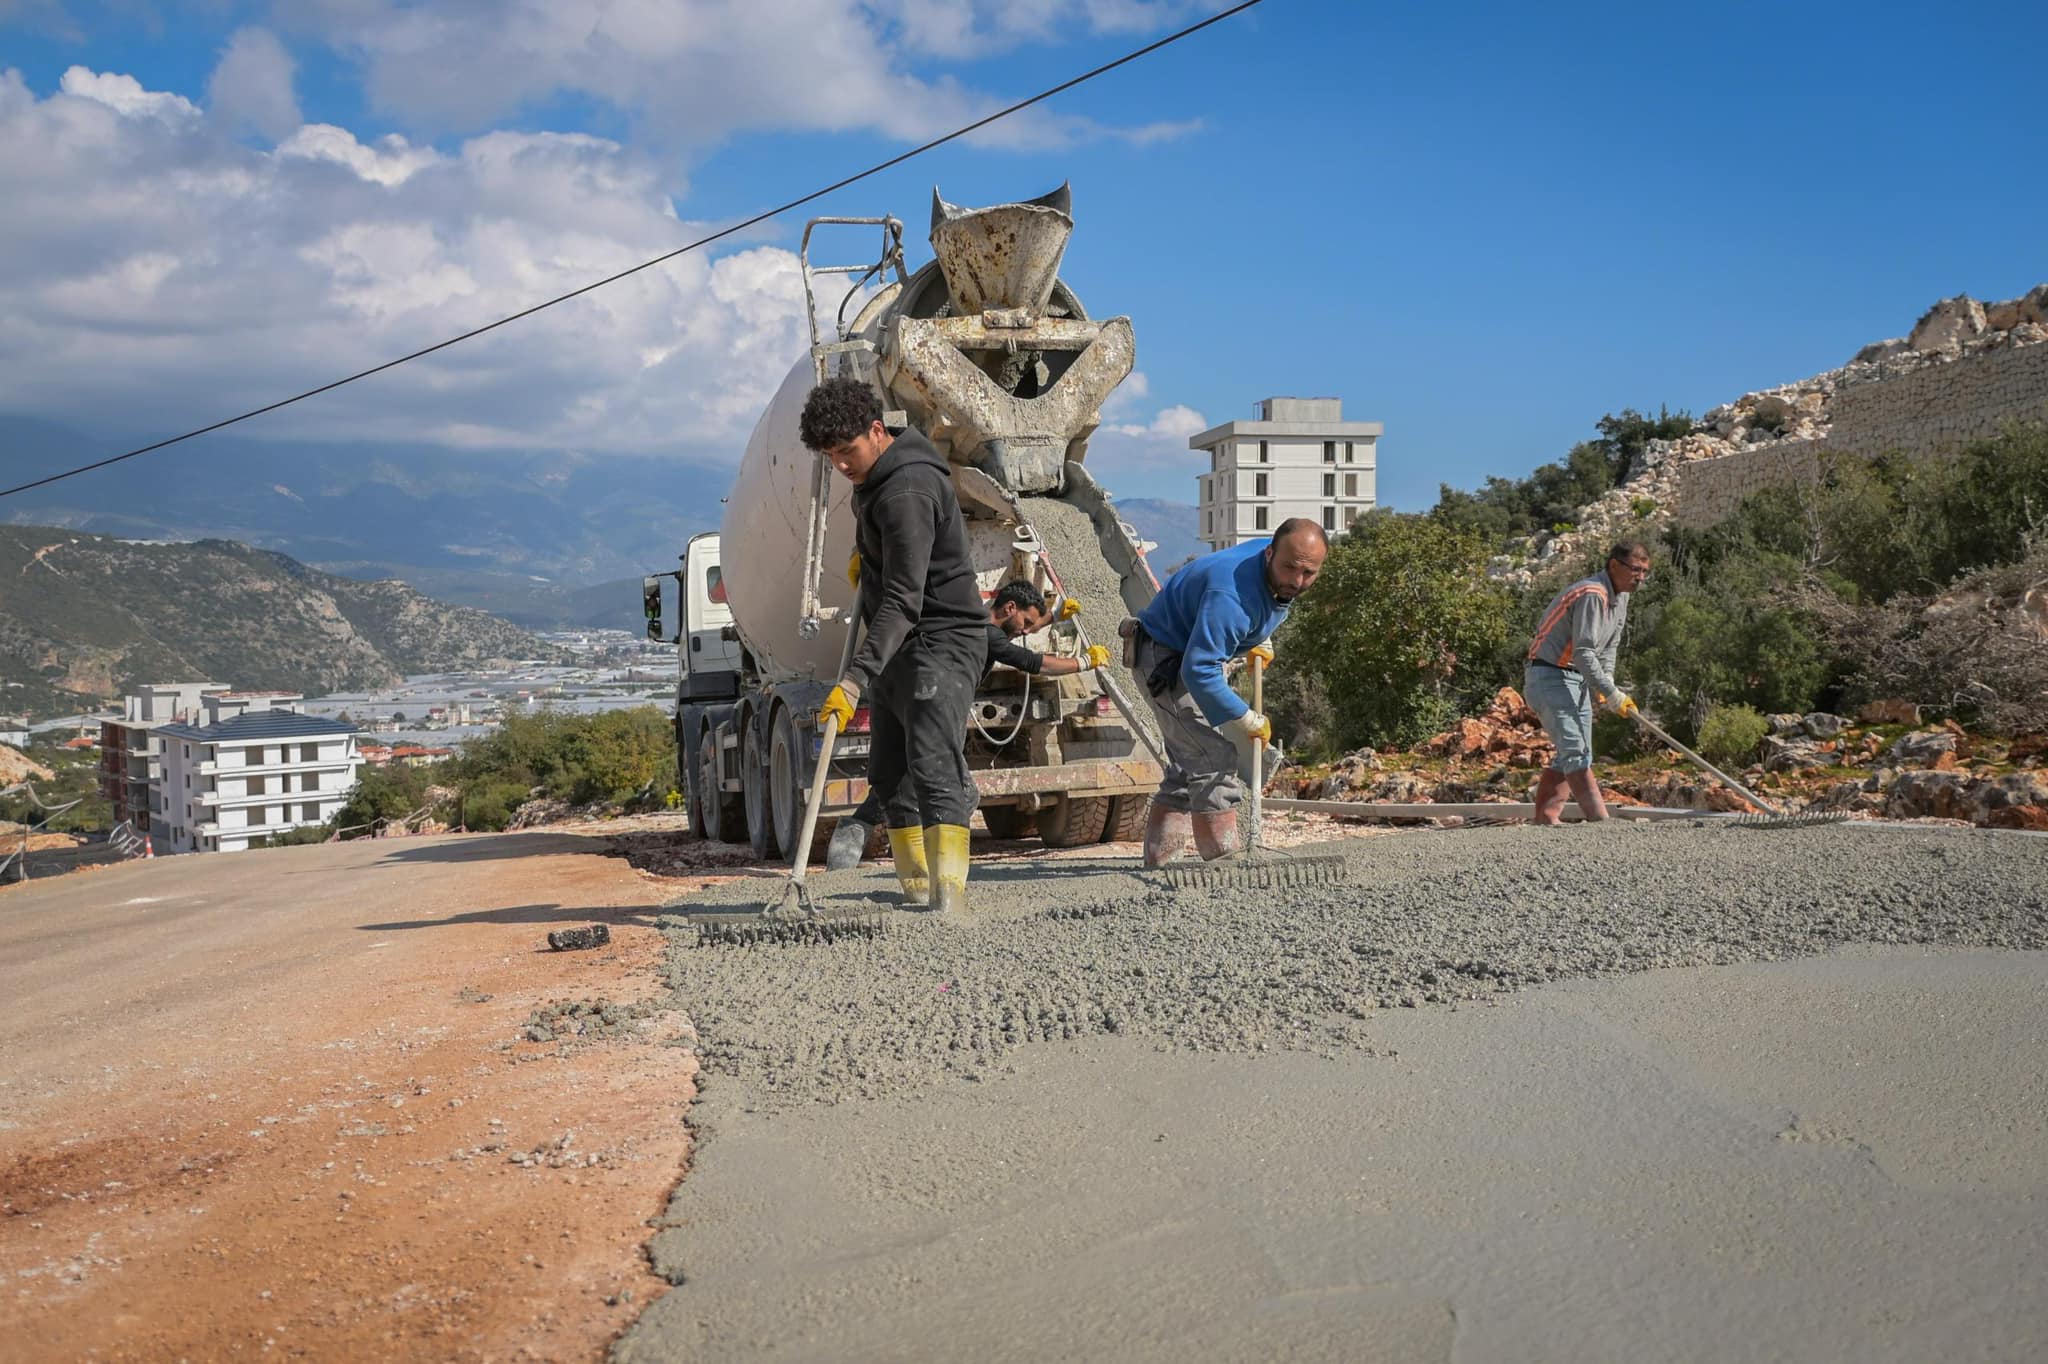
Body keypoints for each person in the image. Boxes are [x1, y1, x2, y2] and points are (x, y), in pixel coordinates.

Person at [802, 376, 987, 915]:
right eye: (830, 455)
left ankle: (947, 899)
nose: (840, 464)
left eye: (847, 451)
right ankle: (915, 890)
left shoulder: (906, 490)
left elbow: (906, 598)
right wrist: (873, 561)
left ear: (877, 431)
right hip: (903, 643)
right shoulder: (878, 480)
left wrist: (855, 679)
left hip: (940, 639)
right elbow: (896, 584)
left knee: (933, 767)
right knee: (887, 774)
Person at [826, 579, 1112, 869]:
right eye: (1026, 622)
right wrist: (1084, 663)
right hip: (933, 714)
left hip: (912, 705)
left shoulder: (978, 623)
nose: (1027, 631)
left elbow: (1025, 627)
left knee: (894, 786)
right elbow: (1033, 662)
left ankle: (844, 854)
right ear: (1009, 607)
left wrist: (1055, 616)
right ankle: (941, 864)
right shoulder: (987, 634)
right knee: (958, 792)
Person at [1125, 518, 1329, 867]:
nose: (1297, 580)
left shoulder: (1280, 555)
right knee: (1211, 758)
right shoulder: (1230, 596)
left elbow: (1265, 603)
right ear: (1269, 555)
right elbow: (1199, 669)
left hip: (1189, 647)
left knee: (1189, 759)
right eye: (1291, 569)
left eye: (1309, 573)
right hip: (1163, 658)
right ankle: (1225, 865)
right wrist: (1246, 718)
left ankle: (1162, 862)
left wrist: (1259, 638)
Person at [1522, 541, 1651, 826]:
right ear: (1614, 566)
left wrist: (1608, 685)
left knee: (1578, 752)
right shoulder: (1594, 593)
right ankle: (1601, 821)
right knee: (1575, 751)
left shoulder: (1621, 597)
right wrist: (1609, 691)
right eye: (1636, 570)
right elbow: (1584, 651)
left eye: (1645, 572)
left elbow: (1609, 647)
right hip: (1549, 675)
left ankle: (1545, 818)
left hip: (1575, 679)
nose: (1640, 577)